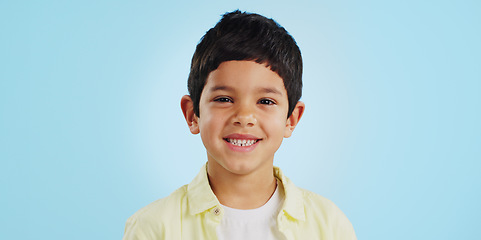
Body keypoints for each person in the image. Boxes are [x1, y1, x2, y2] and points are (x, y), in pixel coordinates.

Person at [123, 10, 356, 240]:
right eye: (224, 99)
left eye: (265, 101)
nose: (244, 117)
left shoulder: (329, 226)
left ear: (291, 119)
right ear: (193, 114)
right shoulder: (153, 228)